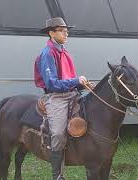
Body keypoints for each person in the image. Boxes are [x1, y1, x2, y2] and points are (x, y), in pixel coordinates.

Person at [34, 17, 87, 180]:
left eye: (66, 31)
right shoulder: (47, 53)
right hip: (56, 97)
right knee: (57, 133)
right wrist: (75, 80)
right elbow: (52, 84)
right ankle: (58, 175)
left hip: (70, 93)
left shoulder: (63, 51)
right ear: (51, 33)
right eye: (62, 31)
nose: (66, 34)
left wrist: (80, 85)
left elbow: (67, 79)